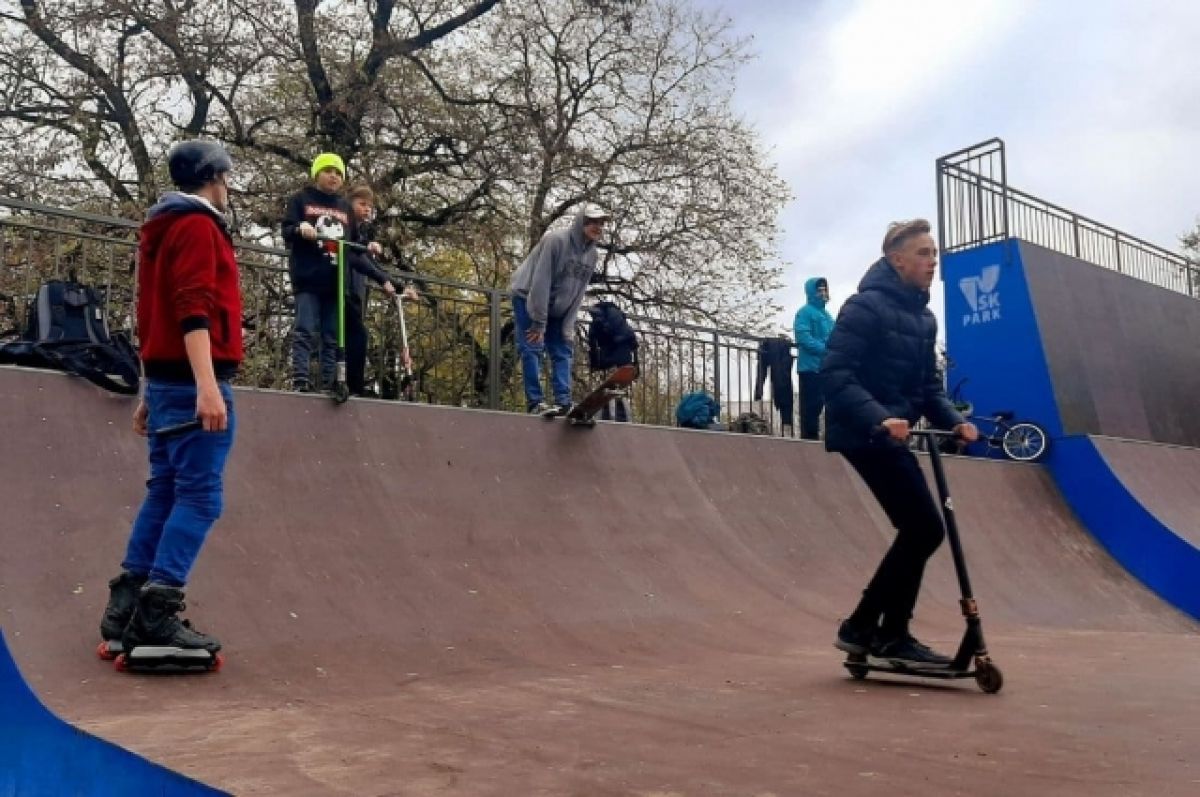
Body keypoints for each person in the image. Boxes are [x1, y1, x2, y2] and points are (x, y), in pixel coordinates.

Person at [98, 140, 241, 655]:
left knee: (164, 490)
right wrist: (207, 385)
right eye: (224, 178)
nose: (228, 187)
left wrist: (147, 391)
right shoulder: (198, 226)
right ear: (212, 178)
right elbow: (191, 306)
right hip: (191, 380)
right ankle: (157, 613)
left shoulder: (159, 228)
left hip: (163, 381)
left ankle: (126, 605)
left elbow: (148, 312)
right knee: (201, 497)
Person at [822, 219, 979, 667]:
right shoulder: (864, 308)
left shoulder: (924, 318)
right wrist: (879, 417)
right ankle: (871, 628)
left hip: (894, 434)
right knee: (925, 528)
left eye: (935, 253)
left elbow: (929, 387)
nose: (933, 261)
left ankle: (878, 631)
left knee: (921, 530)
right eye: (925, 253)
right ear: (897, 260)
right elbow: (834, 375)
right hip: (862, 431)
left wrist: (955, 421)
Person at [510, 204, 610, 414]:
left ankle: (563, 402)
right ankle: (535, 403)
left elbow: (579, 292)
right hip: (529, 298)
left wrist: (568, 325)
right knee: (532, 347)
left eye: (601, 223)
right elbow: (541, 280)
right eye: (592, 222)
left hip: (558, 307)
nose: (597, 227)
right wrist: (538, 321)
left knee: (563, 349)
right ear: (581, 222)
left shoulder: (592, 256)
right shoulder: (555, 240)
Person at [281, 153, 353, 392]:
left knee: (331, 336)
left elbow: (355, 240)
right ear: (317, 174)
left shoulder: (345, 207)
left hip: (336, 281)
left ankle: (328, 382)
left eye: (338, 172)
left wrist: (371, 245)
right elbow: (287, 230)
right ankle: (300, 378)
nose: (333, 176)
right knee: (305, 330)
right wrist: (300, 227)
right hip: (309, 277)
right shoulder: (301, 200)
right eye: (328, 171)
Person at [345, 184, 417, 397]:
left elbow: (372, 265)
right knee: (353, 335)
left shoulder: (361, 233)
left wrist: (398, 286)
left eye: (370, 206)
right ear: (349, 204)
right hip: (341, 287)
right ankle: (349, 384)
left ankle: (352, 384)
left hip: (356, 292)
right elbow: (357, 258)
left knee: (356, 335)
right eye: (362, 204)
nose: (367, 209)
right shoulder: (345, 228)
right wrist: (386, 281)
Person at [793, 277, 834, 440]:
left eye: (824, 289)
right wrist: (826, 351)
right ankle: (809, 444)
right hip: (810, 369)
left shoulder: (828, 316)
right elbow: (803, 338)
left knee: (829, 408)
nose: (823, 292)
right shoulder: (804, 312)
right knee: (810, 411)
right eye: (819, 289)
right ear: (811, 292)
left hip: (826, 369)